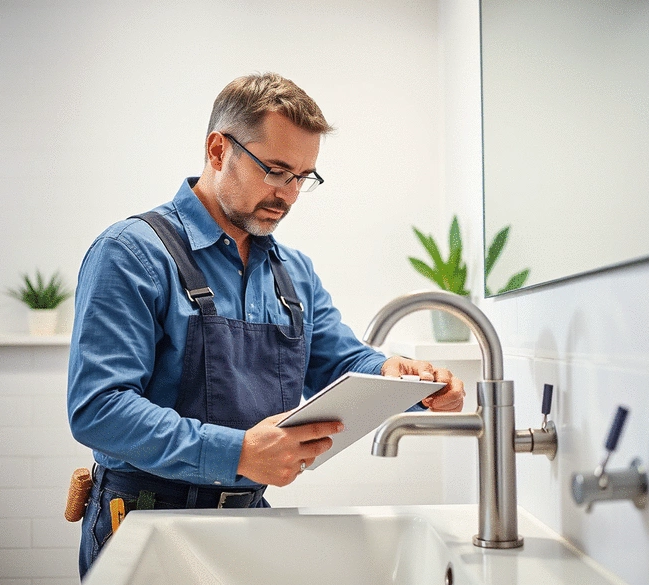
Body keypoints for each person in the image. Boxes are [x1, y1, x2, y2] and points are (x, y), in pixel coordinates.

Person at [67, 72, 464, 577]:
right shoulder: (130, 254)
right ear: (217, 150)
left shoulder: (292, 271)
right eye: (275, 170)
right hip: (141, 517)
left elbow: (340, 362)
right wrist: (237, 452)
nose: (289, 194)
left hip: (246, 517)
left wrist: (401, 378)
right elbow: (98, 409)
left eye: (303, 177)